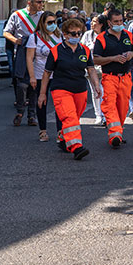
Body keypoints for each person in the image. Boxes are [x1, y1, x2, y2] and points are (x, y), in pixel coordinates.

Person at [40, 19, 101, 161]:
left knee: (74, 117)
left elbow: (90, 69)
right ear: (65, 34)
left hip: (80, 89)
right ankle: (76, 146)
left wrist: (96, 85)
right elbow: (47, 73)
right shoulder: (56, 51)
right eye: (73, 33)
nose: (76, 36)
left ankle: (63, 136)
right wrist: (42, 94)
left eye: (79, 33)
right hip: (61, 89)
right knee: (70, 117)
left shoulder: (84, 50)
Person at [92, 9, 133, 148]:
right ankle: (115, 133)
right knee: (109, 104)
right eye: (116, 22)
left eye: (121, 21)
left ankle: (118, 131)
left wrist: (131, 54)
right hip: (109, 77)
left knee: (123, 107)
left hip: (126, 77)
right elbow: (95, 59)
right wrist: (113, 58)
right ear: (109, 23)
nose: (119, 24)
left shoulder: (128, 35)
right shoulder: (102, 38)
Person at [3, 0, 44, 127]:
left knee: (34, 85)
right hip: (22, 51)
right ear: (29, 2)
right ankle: (20, 110)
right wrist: (15, 40)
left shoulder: (42, 16)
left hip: (37, 52)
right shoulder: (17, 15)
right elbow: (6, 32)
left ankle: (32, 115)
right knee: (21, 83)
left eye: (41, 2)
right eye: (38, 2)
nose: (41, 4)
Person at [26, 12, 62, 143]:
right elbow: (30, 58)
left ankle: (60, 131)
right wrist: (32, 77)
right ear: (43, 23)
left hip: (58, 74)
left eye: (54, 22)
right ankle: (43, 130)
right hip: (40, 74)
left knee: (59, 103)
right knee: (42, 102)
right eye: (49, 22)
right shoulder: (34, 38)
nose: (52, 25)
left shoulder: (60, 37)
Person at [81, 15, 106, 125]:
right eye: (92, 21)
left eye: (95, 21)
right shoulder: (87, 35)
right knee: (95, 91)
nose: (91, 23)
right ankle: (98, 115)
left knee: (105, 91)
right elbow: (81, 48)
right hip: (91, 68)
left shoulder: (107, 35)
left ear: (101, 24)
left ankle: (106, 114)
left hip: (105, 67)